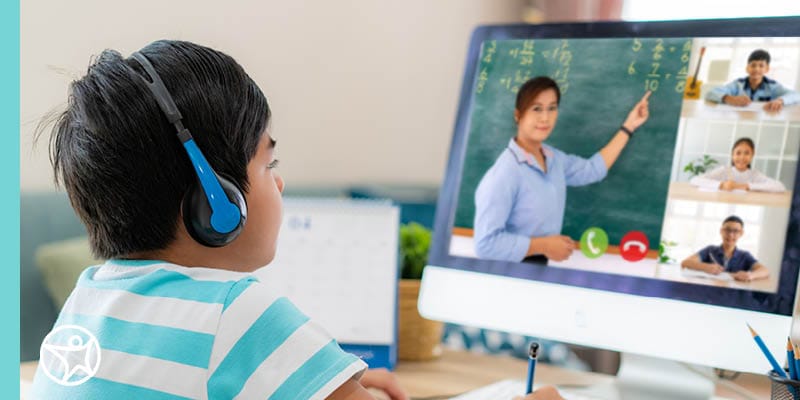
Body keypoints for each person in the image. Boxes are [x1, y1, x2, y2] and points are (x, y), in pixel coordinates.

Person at [29, 40, 561, 400]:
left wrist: (314, 379)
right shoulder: (236, 311)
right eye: (268, 164)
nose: (279, 182)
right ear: (216, 202)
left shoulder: (86, 302)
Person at [473, 76, 650, 263]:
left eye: (552, 108)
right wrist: (544, 245)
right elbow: (485, 244)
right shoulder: (505, 173)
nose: (545, 117)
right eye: (537, 109)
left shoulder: (553, 159)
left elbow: (592, 170)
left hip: (537, 267)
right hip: (508, 274)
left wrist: (629, 126)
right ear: (518, 115)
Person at [705, 49, 800, 112]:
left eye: (761, 65)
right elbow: (710, 93)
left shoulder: (773, 86)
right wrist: (729, 98)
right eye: (753, 65)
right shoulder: (738, 84)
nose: (756, 69)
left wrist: (780, 100)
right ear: (747, 68)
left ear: (767, 69)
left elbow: (796, 95)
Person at [680, 215, 769, 282]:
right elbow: (685, 263)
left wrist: (750, 275)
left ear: (741, 233)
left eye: (735, 231)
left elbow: (765, 271)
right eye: (727, 230)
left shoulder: (744, 256)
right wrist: (705, 267)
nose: (730, 235)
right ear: (721, 231)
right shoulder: (710, 250)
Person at [689, 137, 786, 193]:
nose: (742, 157)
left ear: (752, 155)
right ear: (732, 155)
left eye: (747, 153)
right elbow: (694, 180)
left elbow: (780, 187)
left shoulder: (754, 174)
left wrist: (745, 186)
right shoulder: (725, 170)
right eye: (738, 153)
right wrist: (722, 185)